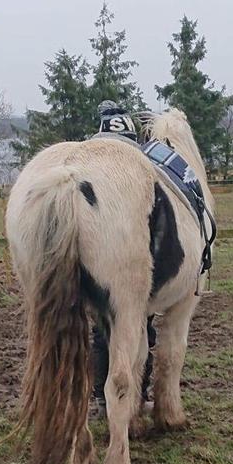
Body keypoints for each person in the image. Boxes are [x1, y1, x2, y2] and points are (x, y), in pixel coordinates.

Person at [89, 101, 156, 418]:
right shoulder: (138, 162)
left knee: (102, 332)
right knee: (142, 327)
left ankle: (100, 400)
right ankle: (139, 395)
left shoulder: (93, 157)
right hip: (134, 262)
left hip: (100, 262)